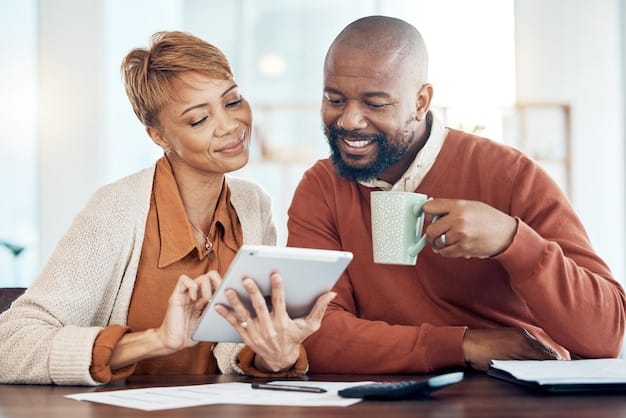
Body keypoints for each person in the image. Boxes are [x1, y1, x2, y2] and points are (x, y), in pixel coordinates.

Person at [287, 15, 626, 374]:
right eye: (335, 99)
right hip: (388, 396)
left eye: (375, 104)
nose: (350, 120)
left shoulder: (509, 175)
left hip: (514, 394)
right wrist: (464, 344)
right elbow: (312, 334)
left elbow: (606, 335)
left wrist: (512, 240)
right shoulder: (321, 187)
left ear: (420, 102)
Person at [0, 31, 335, 385]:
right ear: (158, 136)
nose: (230, 126)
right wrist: (155, 341)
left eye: (233, 101)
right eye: (199, 120)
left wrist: (273, 355)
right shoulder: (116, 209)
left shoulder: (253, 205)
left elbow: (231, 349)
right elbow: (9, 345)